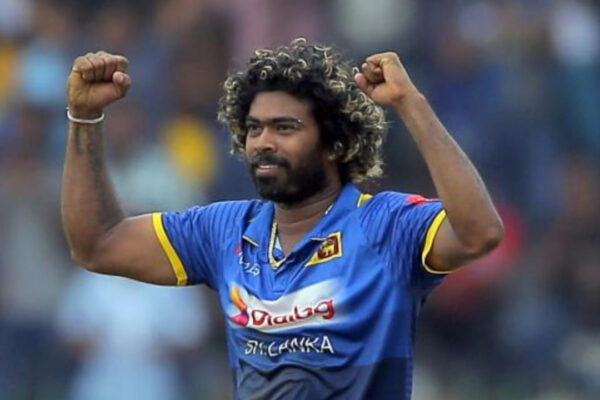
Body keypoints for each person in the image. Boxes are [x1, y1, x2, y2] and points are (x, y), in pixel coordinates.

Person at [62, 38, 503, 399]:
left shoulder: (385, 226)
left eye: (284, 128)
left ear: (334, 144)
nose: (262, 142)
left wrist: (411, 104)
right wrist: (84, 117)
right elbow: (97, 244)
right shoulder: (225, 231)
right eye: (254, 128)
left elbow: (478, 233)